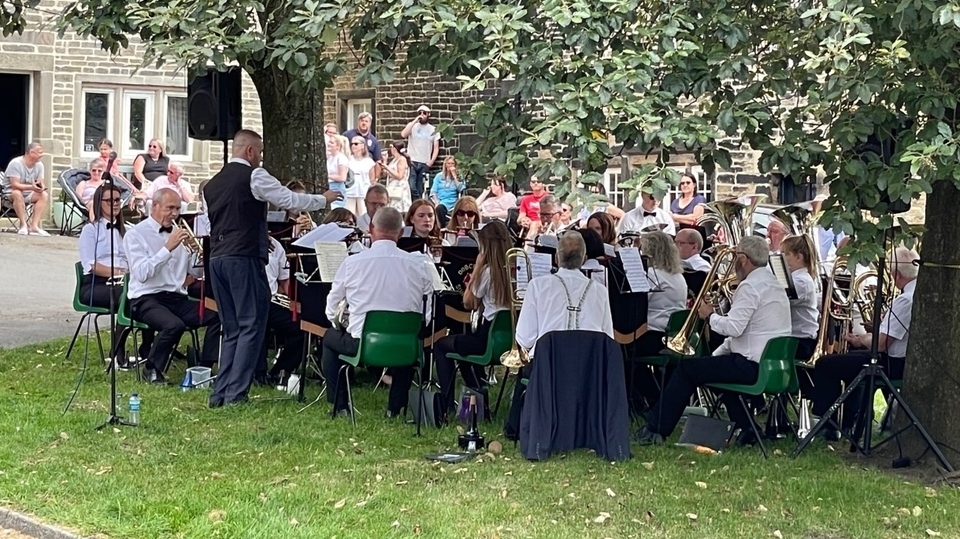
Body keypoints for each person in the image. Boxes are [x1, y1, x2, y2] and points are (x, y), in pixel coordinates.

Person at [203, 129, 340, 407]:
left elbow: (228, 218)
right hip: (244, 257)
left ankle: (220, 394)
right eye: (261, 152)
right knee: (252, 323)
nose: (261, 157)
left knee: (231, 328)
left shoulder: (213, 184)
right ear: (250, 151)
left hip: (216, 258)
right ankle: (236, 394)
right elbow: (288, 199)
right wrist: (323, 199)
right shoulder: (254, 175)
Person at [636, 236, 791, 445]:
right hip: (771, 365)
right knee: (715, 372)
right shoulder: (773, 284)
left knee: (686, 369)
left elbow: (733, 329)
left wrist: (709, 315)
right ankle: (748, 430)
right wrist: (714, 356)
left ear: (743, 259)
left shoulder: (750, 286)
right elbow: (749, 334)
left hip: (751, 365)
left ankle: (656, 429)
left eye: (736, 257)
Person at [322, 207, 434, 417]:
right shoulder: (419, 265)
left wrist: (342, 325)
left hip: (362, 345)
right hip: (405, 347)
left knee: (329, 337)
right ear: (401, 232)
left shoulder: (352, 262)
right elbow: (427, 312)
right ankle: (395, 408)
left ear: (371, 229)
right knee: (407, 336)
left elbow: (332, 305)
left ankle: (341, 406)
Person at [811, 247, 918, 434]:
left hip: (893, 363)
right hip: (900, 360)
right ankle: (850, 421)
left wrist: (861, 340)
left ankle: (828, 424)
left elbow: (882, 344)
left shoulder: (905, 300)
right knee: (849, 359)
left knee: (825, 364)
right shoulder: (916, 294)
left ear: (897, 275)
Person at [124, 189, 221, 384]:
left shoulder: (179, 234)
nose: (175, 214)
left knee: (217, 315)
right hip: (145, 298)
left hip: (176, 297)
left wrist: (201, 258)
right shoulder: (135, 235)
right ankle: (151, 370)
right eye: (170, 208)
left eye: (177, 208)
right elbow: (142, 274)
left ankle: (203, 368)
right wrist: (167, 248)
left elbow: (194, 274)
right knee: (173, 325)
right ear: (155, 206)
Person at [433, 221, 512, 413]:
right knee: (464, 352)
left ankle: (447, 402)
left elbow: (468, 303)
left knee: (441, 345)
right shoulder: (517, 268)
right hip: (508, 341)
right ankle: (478, 398)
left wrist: (477, 267)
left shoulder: (487, 271)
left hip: (487, 339)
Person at [78, 184, 151, 366]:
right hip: (96, 285)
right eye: (109, 200)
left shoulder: (127, 230)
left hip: (122, 282)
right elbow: (91, 265)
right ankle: (117, 350)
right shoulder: (91, 230)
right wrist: (120, 272)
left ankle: (147, 349)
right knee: (127, 297)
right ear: (99, 203)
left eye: (118, 200)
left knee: (149, 294)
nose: (115, 204)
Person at [515, 231, 614, 358]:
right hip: (589, 369)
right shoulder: (600, 291)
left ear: (556, 258)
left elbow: (525, 338)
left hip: (548, 368)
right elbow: (608, 339)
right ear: (584, 259)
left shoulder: (537, 286)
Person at [257, 233, 304, 385]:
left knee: (302, 326)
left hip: (271, 300)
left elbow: (284, 279)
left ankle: (281, 371)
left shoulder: (275, 244)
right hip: (248, 301)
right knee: (256, 326)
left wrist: (293, 300)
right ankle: (258, 374)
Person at [780, 235, 821, 361]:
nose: (781, 258)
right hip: (795, 339)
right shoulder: (796, 278)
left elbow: (777, 301)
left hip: (800, 342)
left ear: (798, 257)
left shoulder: (801, 281)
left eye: (784, 254)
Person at [3, 142, 50, 236]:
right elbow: (15, 185)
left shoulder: (39, 165)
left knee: (44, 195)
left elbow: (41, 182)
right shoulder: (16, 163)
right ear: (32, 153)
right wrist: (32, 187)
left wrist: (41, 188)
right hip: (10, 193)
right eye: (40, 152)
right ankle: (23, 225)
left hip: (29, 193)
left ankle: (34, 226)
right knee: (17, 193)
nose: (42, 155)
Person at [400, 105, 440, 199]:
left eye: (424, 113)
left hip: (424, 162)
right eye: (420, 113)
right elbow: (403, 134)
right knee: (411, 186)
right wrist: (415, 120)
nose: (422, 115)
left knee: (420, 188)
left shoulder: (433, 129)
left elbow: (436, 147)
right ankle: (417, 204)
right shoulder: (412, 126)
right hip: (412, 161)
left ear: (428, 114)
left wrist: (431, 161)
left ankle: (417, 206)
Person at [345, 135, 377, 217]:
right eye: (352, 144)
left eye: (356, 144)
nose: (353, 146)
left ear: (362, 145)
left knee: (363, 214)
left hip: (363, 191)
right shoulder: (348, 159)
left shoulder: (368, 161)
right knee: (349, 214)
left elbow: (372, 179)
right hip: (350, 191)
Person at [430, 156, 466, 226]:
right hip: (439, 200)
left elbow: (461, 189)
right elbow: (433, 191)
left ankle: (442, 229)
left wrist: (454, 176)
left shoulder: (459, 176)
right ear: (445, 165)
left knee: (440, 208)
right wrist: (436, 202)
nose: (450, 165)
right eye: (448, 163)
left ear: (455, 165)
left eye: (452, 163)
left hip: (452, 201)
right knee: (436, 207)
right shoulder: (439, 176)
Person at [383, 141, 412, 213]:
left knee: (400, 209)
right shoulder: (394, 160)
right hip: (392, 186)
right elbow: (385, 173)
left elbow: (400, 176)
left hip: (399, 187)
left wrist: (387, 167)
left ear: (395, 149)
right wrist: (385, 161)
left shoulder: (402, 159)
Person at [326, 136, 350, 208]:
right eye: (329, 142)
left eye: (332, 143)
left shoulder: (341, 158)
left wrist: (327, 176)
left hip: (337, 187)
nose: (329, 144)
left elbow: (342, 177)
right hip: (329, 186)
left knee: (336, 209)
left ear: (338, 146)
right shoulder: (329, 157)